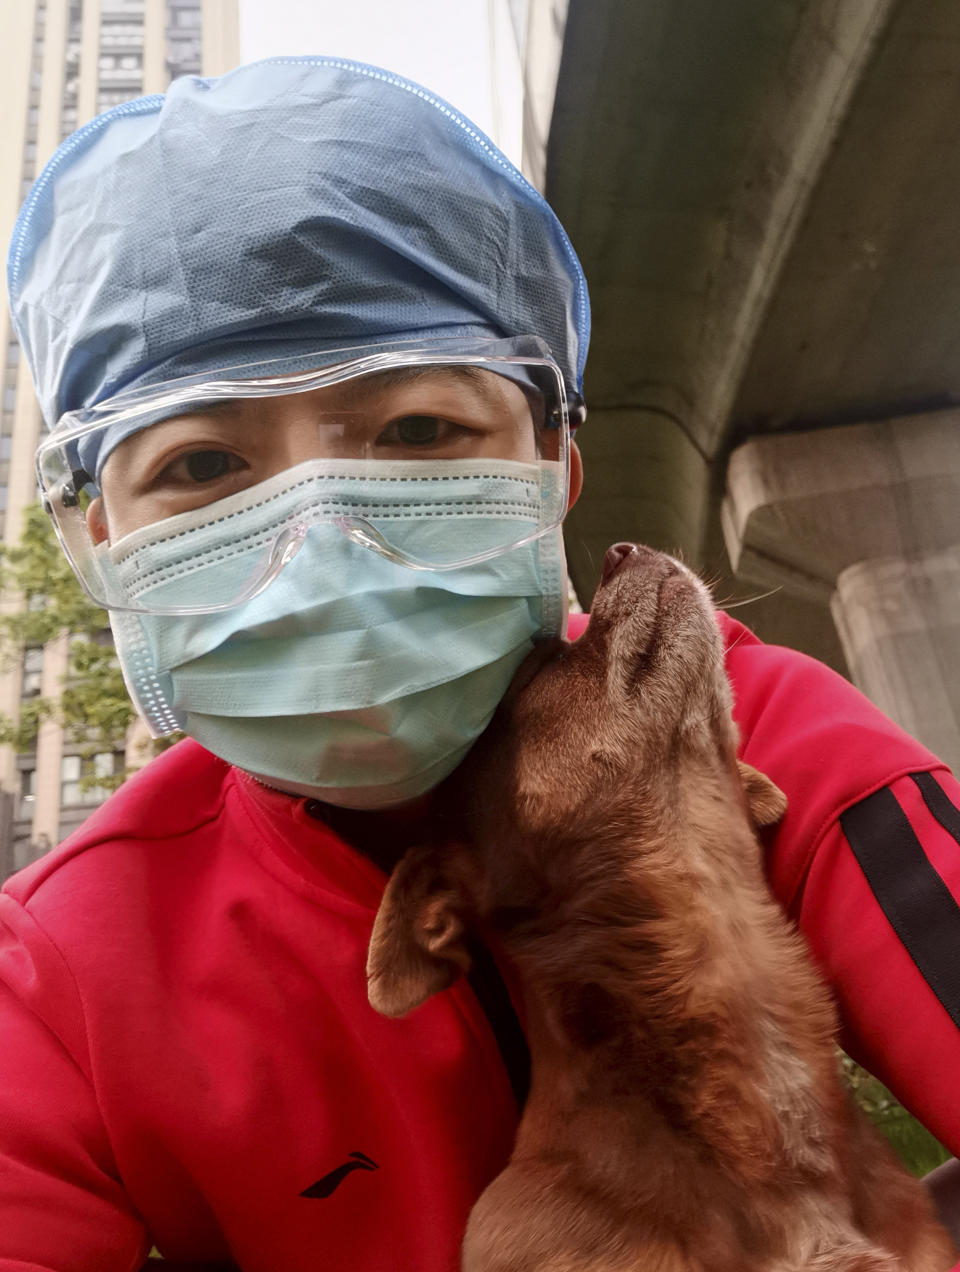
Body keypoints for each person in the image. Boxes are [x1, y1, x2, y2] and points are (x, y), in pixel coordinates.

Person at [1, 57, 959, 1272]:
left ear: (556, 459)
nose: (322, 548)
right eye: (200, 468)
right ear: (98, 541)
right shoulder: (66, 973)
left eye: (418, 432)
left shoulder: (749, 740)